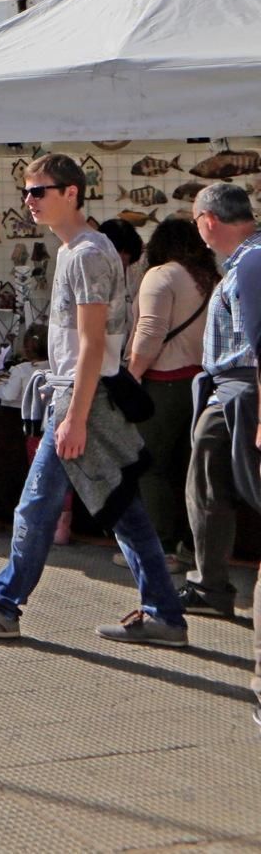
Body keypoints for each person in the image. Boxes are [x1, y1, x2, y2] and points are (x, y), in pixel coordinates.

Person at [0, 153, 185, 645]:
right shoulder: (80, 249)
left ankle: (4, 607)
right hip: (85, 394)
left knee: (39, 508)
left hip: (83, 397)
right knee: (121, 508)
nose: (29, 200)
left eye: (39, 191)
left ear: (72, 193)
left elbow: (94, 344)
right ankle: (164, 614)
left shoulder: (87, 253)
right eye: (26, 191)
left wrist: (74, 415)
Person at [179, 184, 261, 635]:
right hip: (233, 391)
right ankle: (208, 585)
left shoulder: (251, 261)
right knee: (210, 488)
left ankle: (209, 587)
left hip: (241, 391)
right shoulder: (247, 260)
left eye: (196, 221)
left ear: (209, 220)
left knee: (213, 491)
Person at [126, 214, 215, 567]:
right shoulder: (211, 279)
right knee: (190, 472)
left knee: (151, 467)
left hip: (162, 384)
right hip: (202, 385)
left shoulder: (161, 275)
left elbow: (149, 333)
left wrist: (132, 375)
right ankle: (196, 549)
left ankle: (161, 549)